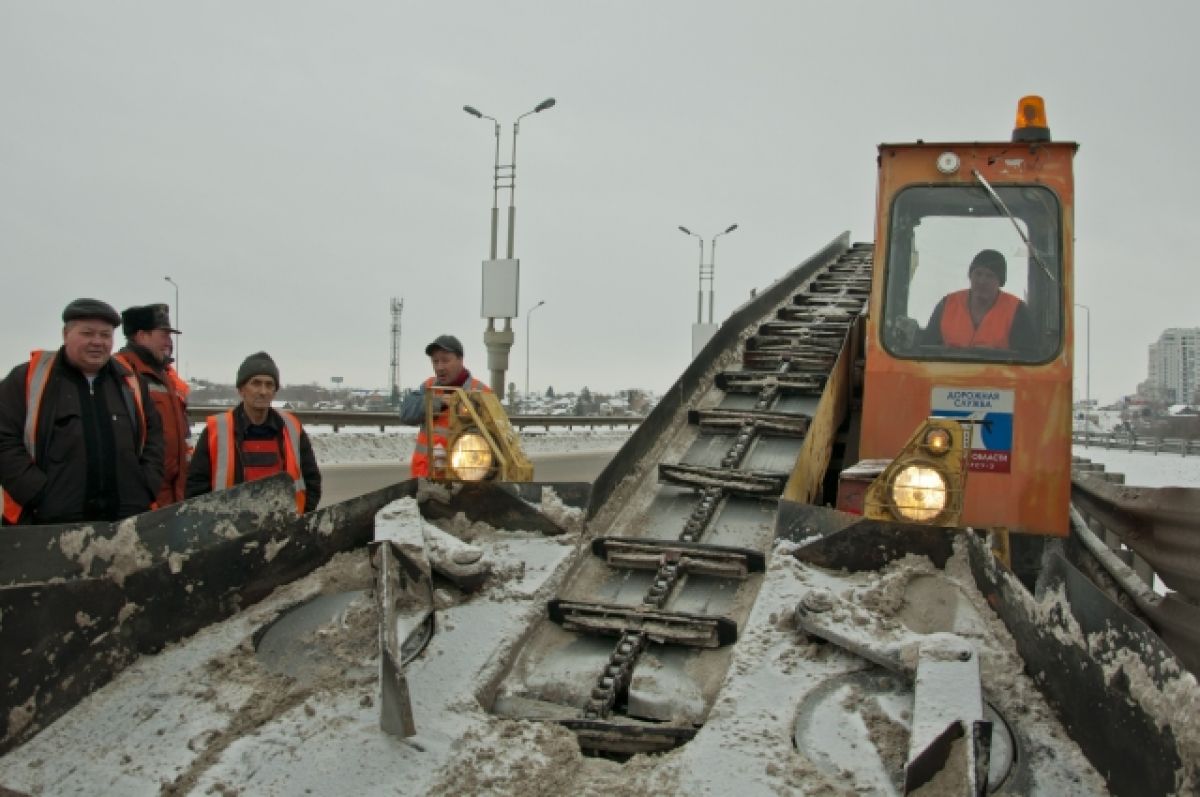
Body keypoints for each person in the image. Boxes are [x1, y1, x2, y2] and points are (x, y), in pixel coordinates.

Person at [0, 298, 164, 525]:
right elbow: (5, 439)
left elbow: (154, 437)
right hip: (49, 524)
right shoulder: (28, 379)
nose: (97, 342)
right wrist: (36, 493)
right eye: (87, 333)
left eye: (105, 335)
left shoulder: (130, 381)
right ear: (66, 334)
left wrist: (145, 486)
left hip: (124, 521)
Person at [185, 351, 321, 513]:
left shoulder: (292, 428)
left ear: (274, 391)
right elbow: (196, 487)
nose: (263, 391)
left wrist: (301, 518)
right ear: (241, 389)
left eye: (269, 384)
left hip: (284, 527)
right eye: (256, 383)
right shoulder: (216, 431)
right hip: (232, 530)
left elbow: (311, 480)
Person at [115, 303, 190, 508]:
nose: (169, 342)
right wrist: (144, 488)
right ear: (141, 335)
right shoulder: (122, 374)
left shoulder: (166, 376)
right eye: (163, 335)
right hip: (144, 496)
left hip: (173, 494)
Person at [398, 334, 490, 477]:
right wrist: (436, 402)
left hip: (461, 482)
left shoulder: (480, 393)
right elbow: (406, 413)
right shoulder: (429, 387)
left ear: (460, 359)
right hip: (423, 479)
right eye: (435, 361)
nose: (439, 367)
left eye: (445, 361)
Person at [921, 249, 1036, 352]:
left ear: (1000, 281)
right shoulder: (947, 304)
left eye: (990, 276)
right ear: (970, 276)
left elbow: (1028, 356)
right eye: (978, 274)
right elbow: (926, 348)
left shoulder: (1016, 309)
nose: (982, 281)